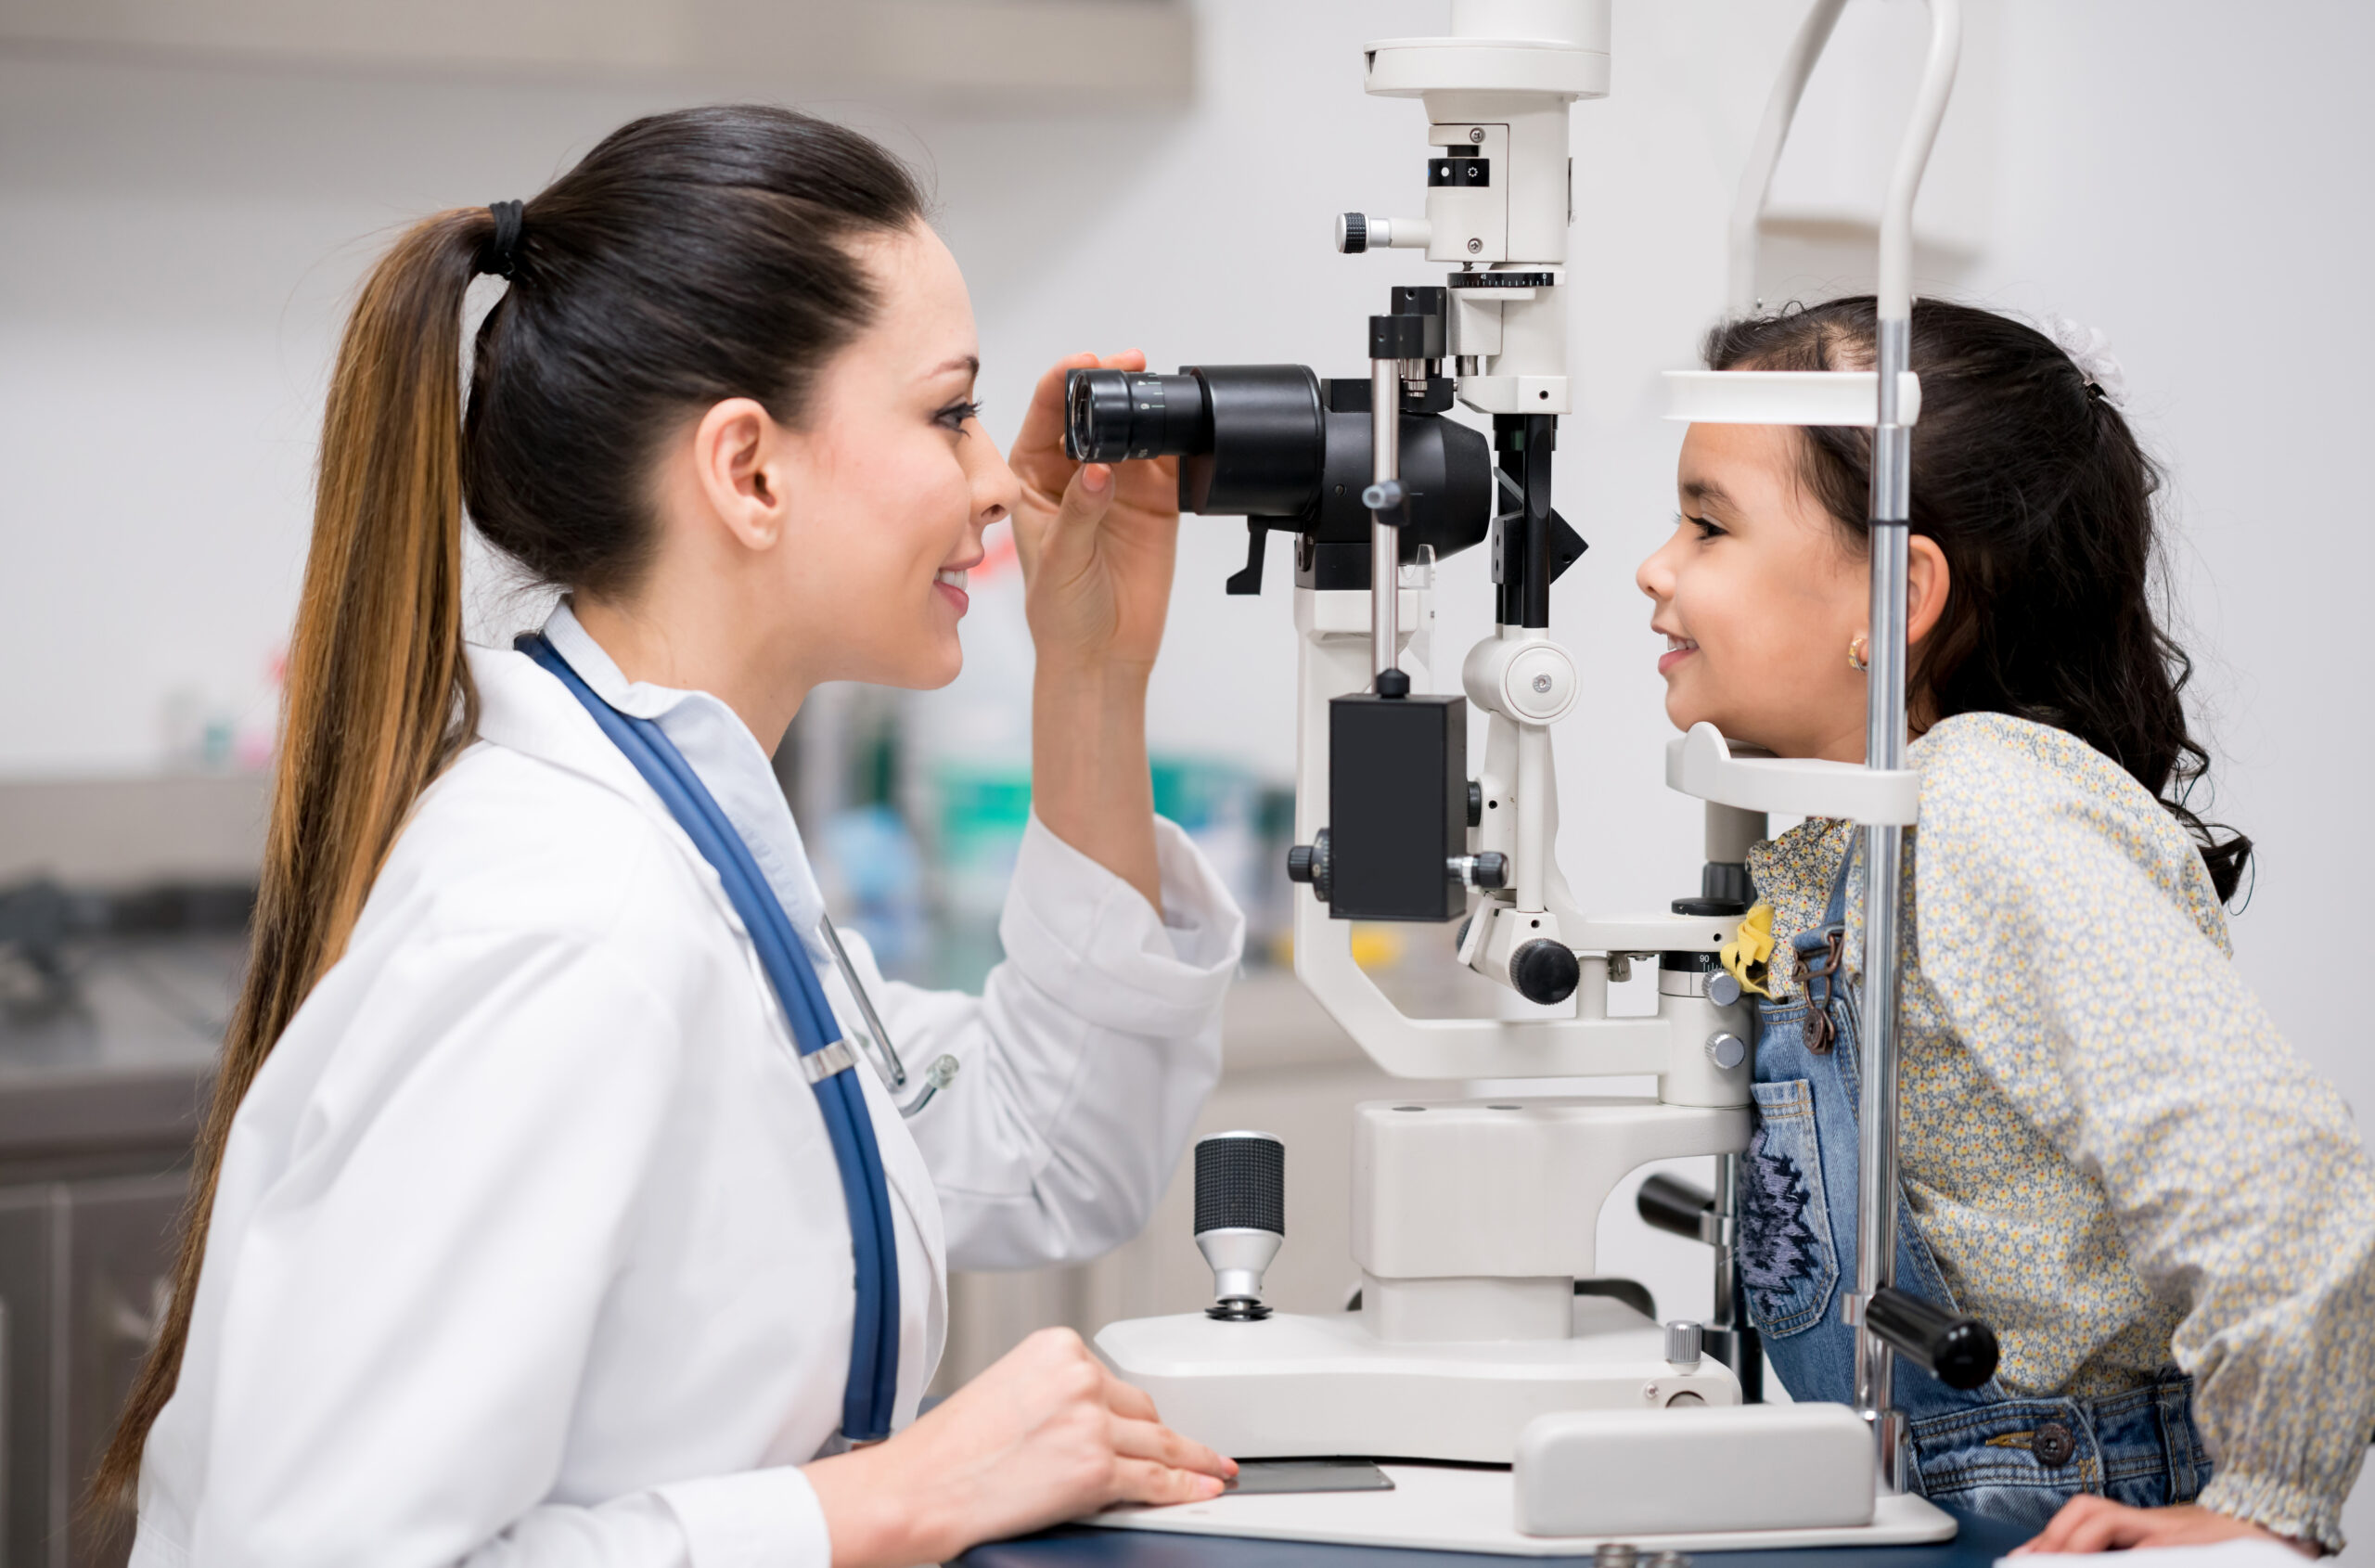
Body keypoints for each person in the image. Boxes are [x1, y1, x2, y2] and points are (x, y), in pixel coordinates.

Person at [95, 106, 1245, 1566]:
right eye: (947, 410)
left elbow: (1043, 1145)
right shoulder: (572, 924)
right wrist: (885, 1499)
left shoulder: (682, 841)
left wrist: (1092, 671)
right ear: (749, 471)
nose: (987, 481)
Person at [1637, 295, 2375, 1555]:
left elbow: (2277, 1166)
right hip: (1903, 1487)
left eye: (1708, 523)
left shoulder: (1986, 806)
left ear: (1896, 587)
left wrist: (2268, 1511)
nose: (1655, 565)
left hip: (2047, 1501)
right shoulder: (1850, 834)